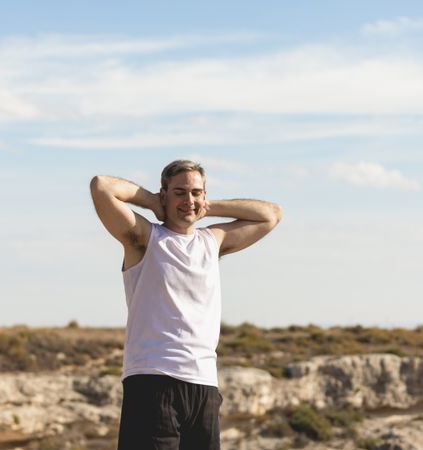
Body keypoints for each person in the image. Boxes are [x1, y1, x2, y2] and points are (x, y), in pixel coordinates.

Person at [90, 159, 281, 450]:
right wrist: (151, 202)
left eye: (195, 192)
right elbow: (102, 187)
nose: (188, 200)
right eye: (179, 192)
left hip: (203, 385)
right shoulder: (144, 239)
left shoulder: (212, 241)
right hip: (153, 381)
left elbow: (271, 215)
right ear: (164, 194)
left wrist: (207, 206)